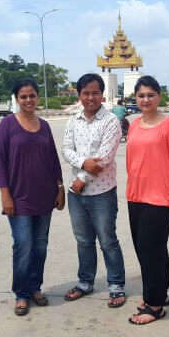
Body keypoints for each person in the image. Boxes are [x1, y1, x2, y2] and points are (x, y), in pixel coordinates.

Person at [0, 78, 65, 316]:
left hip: (44, 196)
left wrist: (60, 187)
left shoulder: (44, 126)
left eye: (32, 95)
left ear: (37, 97)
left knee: (40, 247)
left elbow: (53, 159)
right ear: (16, 99)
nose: (28, 100)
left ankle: (35, 287)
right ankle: (21, 294)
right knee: (23, 245)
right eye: (23, 96)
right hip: (19, 198)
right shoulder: (7, 125)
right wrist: (5, 195)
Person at [125, 75, 169, 325]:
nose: (146, 99)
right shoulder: (133, 125)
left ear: (159, 97)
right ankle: (160, 294)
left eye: (150, 95)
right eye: (141, 95)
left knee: (151, 250)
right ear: (135, 98)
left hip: (160, 197)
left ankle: (154, 306)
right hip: (136, 195)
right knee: (148, 249)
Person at [62, 73, 127, 308]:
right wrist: (83, 164)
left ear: (102, 94)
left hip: (102, 193)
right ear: (79, 95)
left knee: (108, 240)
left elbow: (105, 158)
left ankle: (116, 284)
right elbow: (67, 150)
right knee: (83, 241)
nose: (91, 97)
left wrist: (82, 177)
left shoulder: (110, 121)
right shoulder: (73, 121)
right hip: (77, 196)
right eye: (86, 93)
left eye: (95, 92)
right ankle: (85, 282)